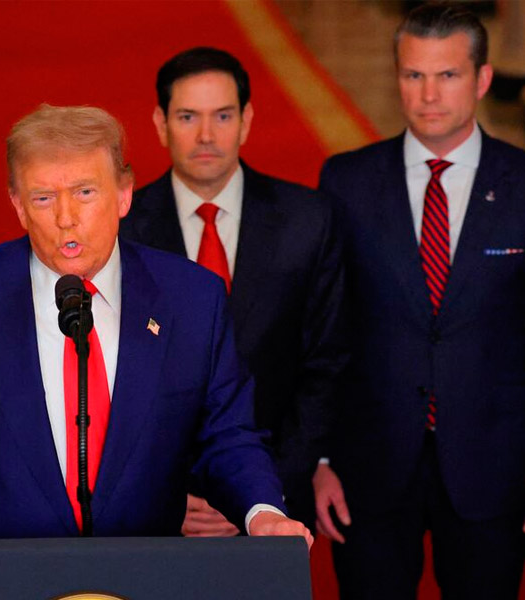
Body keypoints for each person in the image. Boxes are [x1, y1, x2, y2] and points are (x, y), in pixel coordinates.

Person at [0, 104, 311, 599]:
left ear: (124, 194)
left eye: (85, 192)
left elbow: (228, 436)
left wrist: (264, 514)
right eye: (43, 198)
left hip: (141, 582)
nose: (65, 218)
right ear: (18, 205)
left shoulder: (192, 300)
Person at [316, 3, 525, 598]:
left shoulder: (522, 184)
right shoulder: (346, 181)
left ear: (482, 79)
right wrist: (321, 460)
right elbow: (325, 328)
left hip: (495, 469)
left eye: (448, 75)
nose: (429, 95)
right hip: (370, 468)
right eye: (414, 75)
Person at [119, 47, 346, 536]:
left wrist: (258, 497)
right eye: (187, 117)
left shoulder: (308, 220)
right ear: (160, 124)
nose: (206, 135)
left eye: (222, 116)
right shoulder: (123, 229)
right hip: (155, 510)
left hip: (275, 501)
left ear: (246, 121)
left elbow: (326, 366)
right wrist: (164, 496)